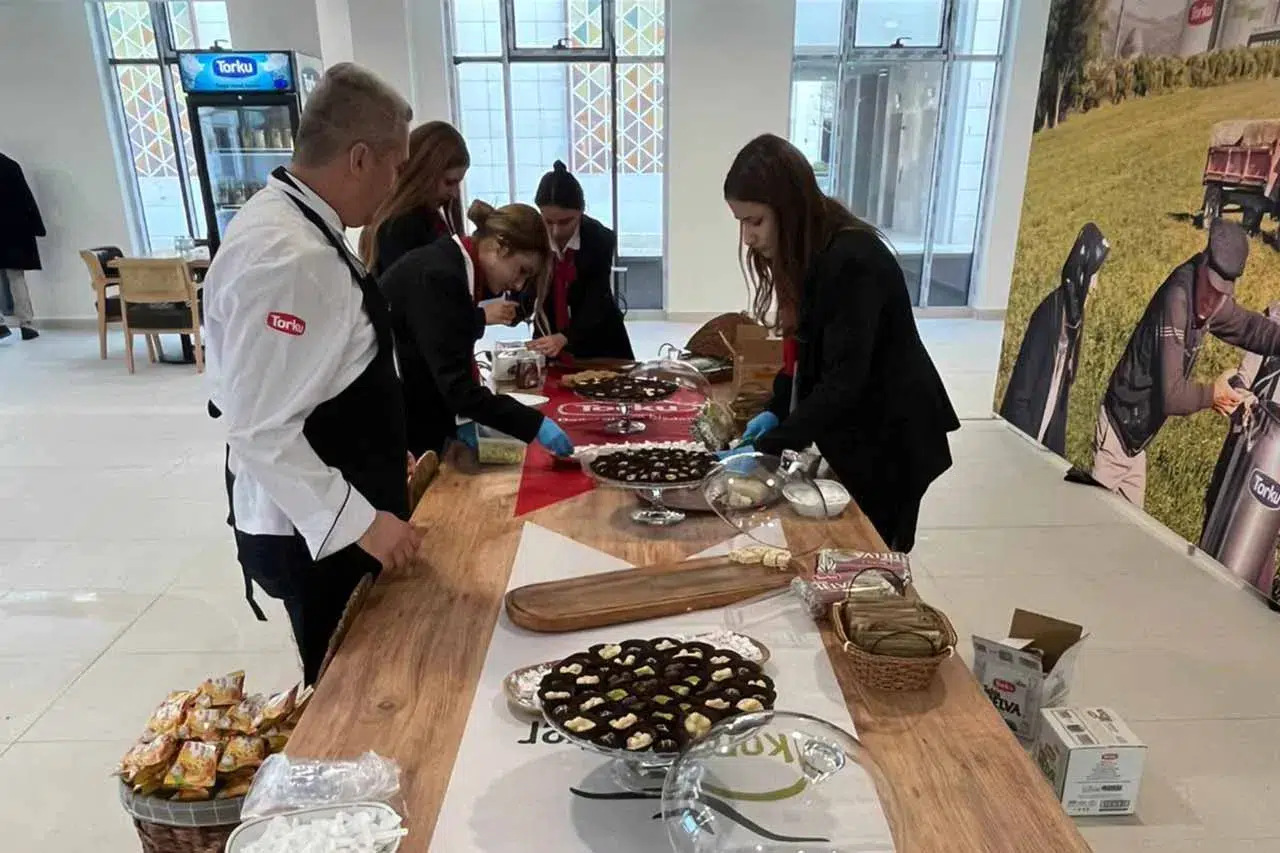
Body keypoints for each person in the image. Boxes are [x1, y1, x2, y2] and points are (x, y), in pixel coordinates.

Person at [203, 63, 422, 686]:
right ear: (359, 158)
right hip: (313, 538)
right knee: (349, 693)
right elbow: (258, 426)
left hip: (334, 506)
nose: (395, 181)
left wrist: (381, 447)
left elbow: (324, 374)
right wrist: (362, 522)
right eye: (395, 165)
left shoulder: (294, 222)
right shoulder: (288, 257)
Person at [722, 134, 959, 552]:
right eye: (741, 222)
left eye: (755, 221)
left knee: (875, 554)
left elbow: (844, 382)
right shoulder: (807, 251)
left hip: (893, 435)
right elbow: (803, 350)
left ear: (790, 210)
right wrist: (777, 410)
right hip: (858, 425)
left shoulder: (853, 260)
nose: (747, 237)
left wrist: (768, 447)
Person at [1090, 218, 1280, 507]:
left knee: (1128, 539)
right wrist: (1213, 395)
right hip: (1117, 435)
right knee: (1086, 528)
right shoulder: (1176, 299)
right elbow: (1172, 396)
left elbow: (1249, 328)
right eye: (1210, 290)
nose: (1211, 303)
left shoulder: (1212, 301)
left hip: (1136, 443)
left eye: (1221, 296)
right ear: (1203, 264)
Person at [379, 199, 575, 459]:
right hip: (387, 421)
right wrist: (533, 424)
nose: (517, 286)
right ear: (499, 247)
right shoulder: (440, 277)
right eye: (521, 271)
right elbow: (456, 386)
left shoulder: (453, 267)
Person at [1000, 223, 1110, 455]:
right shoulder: (1049, 315)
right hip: (1022, 443)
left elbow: (1060, 397)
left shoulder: (1073, 320)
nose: (1095, 288)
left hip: (1041, 443)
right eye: (1094, 277)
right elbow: (1020, 394)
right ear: (1082, 275)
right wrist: (1026, 452)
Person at [524, 161, 633, 361]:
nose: (556, 231)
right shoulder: (532, 236)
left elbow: (596, 297)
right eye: (548, 221)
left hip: (598, 333)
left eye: (566, 222)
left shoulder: (600, 239)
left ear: (581, 211)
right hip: (549, 334)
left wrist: (566, 337)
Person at [359, 120, 470, 277]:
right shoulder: (401, 227)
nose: (455, 194)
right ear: (423, 175)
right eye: (449, 182)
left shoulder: (423, 220)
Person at [0, 152, 45, 341]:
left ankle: (1, 325)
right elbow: (26, 197)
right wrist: (37, 226)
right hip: (14, 230)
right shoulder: (10, 165)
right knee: (16, 277)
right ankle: (27, 325)